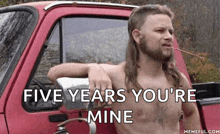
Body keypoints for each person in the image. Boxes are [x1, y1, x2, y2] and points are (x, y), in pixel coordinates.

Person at [47, 4, 200, 134]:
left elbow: (191, 112)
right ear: (138, 36)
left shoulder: (178, 80)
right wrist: (91, 67)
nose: (169, 37)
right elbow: (53, 73)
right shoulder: (118, 76)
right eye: (160, 31)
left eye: (171, 31)